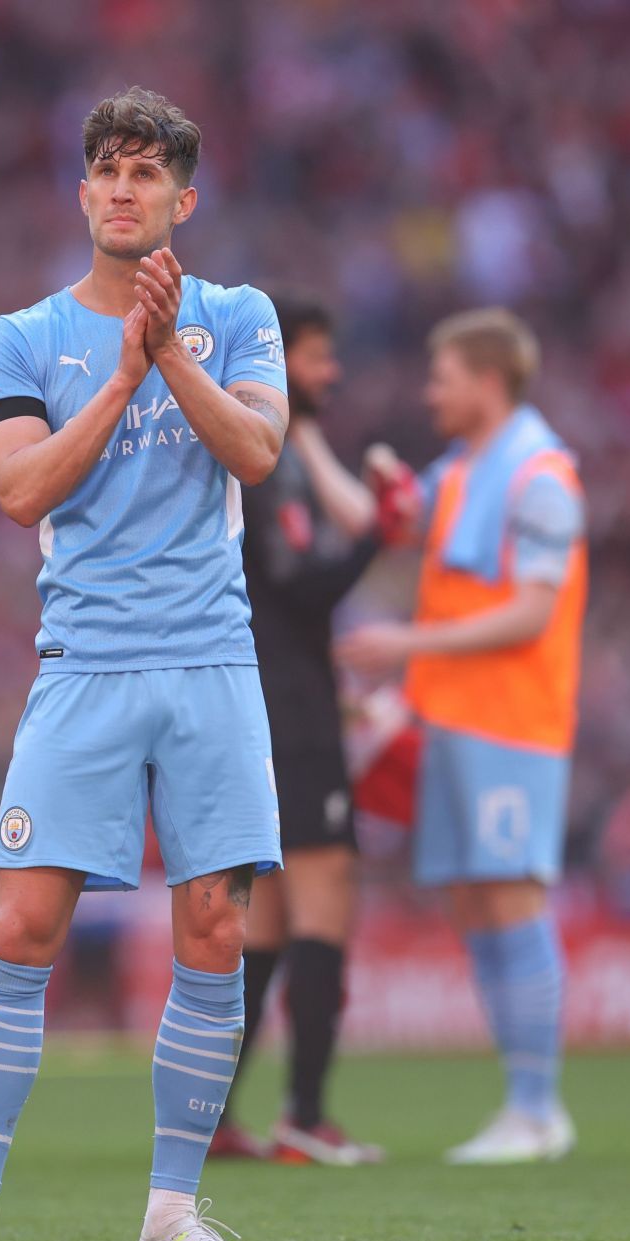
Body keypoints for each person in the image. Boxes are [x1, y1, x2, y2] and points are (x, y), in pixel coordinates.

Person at [0, 87, 287, 1241]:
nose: (122, 187)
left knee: (212, 925)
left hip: (211, 659)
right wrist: (122, 374)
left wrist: (168, 359)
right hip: (83, 662)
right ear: (82, 190)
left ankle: (171, 1218)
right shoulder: (22, 336)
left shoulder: (242, 315)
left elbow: (257, 450)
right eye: (106, 167)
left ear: (183, 199)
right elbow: (20, 489)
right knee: (26, 921)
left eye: (147, 172)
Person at [336, 307, 586, 1165]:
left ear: (488, 379)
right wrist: (310, 450)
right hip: (453, 716)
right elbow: (391, 522)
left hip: (513, 721)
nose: (428, 391)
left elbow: (531, 611)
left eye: (442, 376)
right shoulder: (466, 472)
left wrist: (407, 643)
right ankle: (522, 1102)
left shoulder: (540, 478)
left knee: (512, 896)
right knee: (476, 904)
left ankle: (539, 1107)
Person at [217, 292, 384, 1166]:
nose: (329, 372)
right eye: (316, 356)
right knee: (323, 906)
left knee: (266, 931)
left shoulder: (261, 451)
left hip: (262, 703)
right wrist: (376, 540)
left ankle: (211, 1120)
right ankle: (307, 1118)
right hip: (292, 716)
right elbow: (301, 585)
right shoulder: (268, 458)